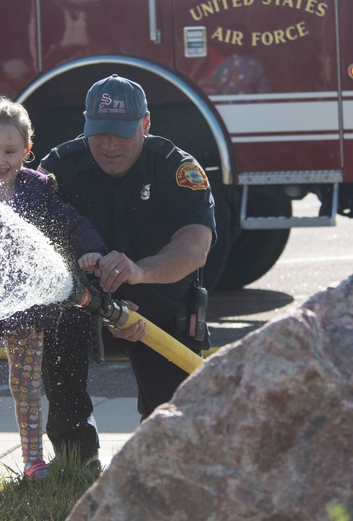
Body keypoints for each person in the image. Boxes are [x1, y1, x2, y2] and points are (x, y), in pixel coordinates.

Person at [38, 74, 216, 467]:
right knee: (54, 326)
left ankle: (157, 463)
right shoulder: (59, 167)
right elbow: (32, 242)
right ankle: (75, 456)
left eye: (120, 133)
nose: (108, 145)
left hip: (158, 304)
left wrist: (138, 272)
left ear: (146, 124)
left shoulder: (177, 170)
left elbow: (194, 248)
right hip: (82, 297)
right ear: (85, 124)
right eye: (99, 133)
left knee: (172, 433)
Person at [0, 97, 106, 482]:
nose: (0, 160)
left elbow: (70, 221)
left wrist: (91, 250)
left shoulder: (37, 189)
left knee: (27, 388)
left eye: (11, 151)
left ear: (27, 152)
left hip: (27, 310)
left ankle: (34, 460)